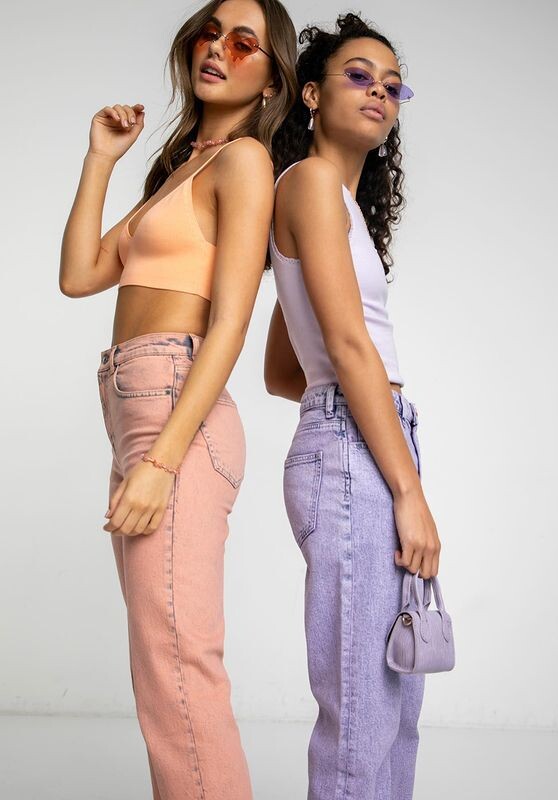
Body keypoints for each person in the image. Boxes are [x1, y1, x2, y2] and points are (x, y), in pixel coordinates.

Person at [59, 1, 297, 797]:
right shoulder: (187, 167)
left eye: (244, 43)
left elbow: (230, 323)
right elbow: (80, 275)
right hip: (138, 406)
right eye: (210, 32)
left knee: (178, 665)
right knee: (162, 665)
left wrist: (163, 460)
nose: (217, 49)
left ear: (272, 80)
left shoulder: (245, 162)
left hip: (175, 414)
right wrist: (102, 158)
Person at [264, 12, 441, 800]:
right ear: (310, 94)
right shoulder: (306, 182)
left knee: (395, 701)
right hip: (357, 449)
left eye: (393, 86)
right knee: (363, 714)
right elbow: (345, 344)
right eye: (359, 76)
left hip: (364, 437)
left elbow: (284, 367)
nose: (379, 93)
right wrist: (408, 490)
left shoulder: (335, 205)